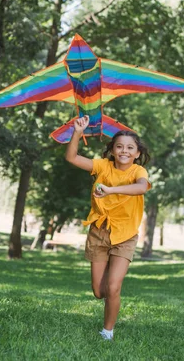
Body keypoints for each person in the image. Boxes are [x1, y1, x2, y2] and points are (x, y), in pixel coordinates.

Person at [65, 115, 151, 341]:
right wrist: (77, 131)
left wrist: (111, 191)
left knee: (113, 287)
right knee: (99, 291)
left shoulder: (138, 172)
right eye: (119, 146)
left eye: (130, 148)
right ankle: (110, 296)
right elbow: (72, 157)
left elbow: (141, 188)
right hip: (99, 231)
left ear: (137, 153)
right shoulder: (103, 166)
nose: (124, 151)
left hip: (125, 234)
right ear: (112, 150)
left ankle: (107, 331)